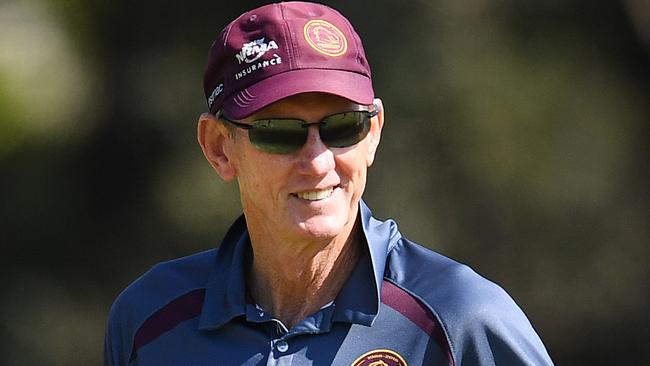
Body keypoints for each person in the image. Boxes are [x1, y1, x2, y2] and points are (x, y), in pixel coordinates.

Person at [104, 2, 553, 365]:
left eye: (343, 127)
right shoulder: (149, 321)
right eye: (279, 133)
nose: (318, 164)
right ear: (219, 147)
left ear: (373, 133)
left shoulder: (461, 319)